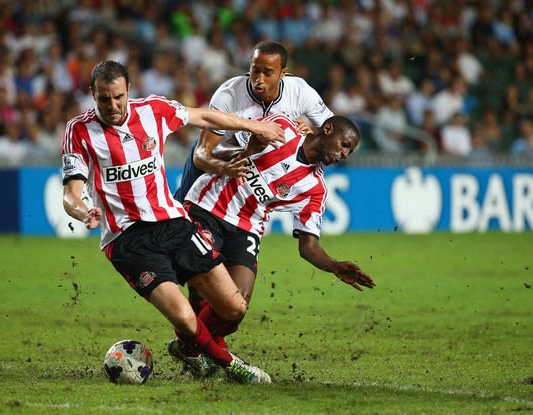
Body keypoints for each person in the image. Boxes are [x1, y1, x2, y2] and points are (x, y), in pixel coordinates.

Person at [61, 60, 286, 384]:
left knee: (233, 307)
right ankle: (233, 367)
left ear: (128, 91)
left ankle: (191, 349)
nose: (113, 106)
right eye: (104, 99)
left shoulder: (153, 110)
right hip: (128, 240)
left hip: (174, 223)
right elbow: (71, 193)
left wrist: (254, 127)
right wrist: (84, 211)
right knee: (182, 315)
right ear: (92, 95)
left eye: (119, 97)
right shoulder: (79, 131)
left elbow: (204, 116)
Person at [169, 113, 375, 375]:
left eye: (350, 151)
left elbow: (308, 246)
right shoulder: (282, 129)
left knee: (236, 306)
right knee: (204, 285)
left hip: (247, 227)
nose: (345, 153)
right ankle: (201, 351)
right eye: (344, 144)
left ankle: (189, 346)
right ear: (328, 129)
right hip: (208, 206)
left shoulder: (316, 189)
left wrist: (334, 266)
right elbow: (218, 149)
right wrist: (246, 149)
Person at [173, 40, 334, 202]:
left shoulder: (300, 92)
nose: (259, 79)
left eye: (268, 73)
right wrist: (225, 168)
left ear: (283, 73)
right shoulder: (229, 95)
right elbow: (200, 156)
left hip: (256, 167)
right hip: (218, 161)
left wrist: (313, 133)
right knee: (182, 210)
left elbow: (335, 130)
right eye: (255, 70)